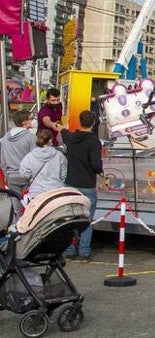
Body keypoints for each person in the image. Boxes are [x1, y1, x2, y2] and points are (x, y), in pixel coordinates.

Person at [63, 111, 104, 260]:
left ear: (80, 121)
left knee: (70, 219)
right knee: (87, 219)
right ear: (93, 123)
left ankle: (68, 250)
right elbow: (96, 164)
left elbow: (64, 132)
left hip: (71, 182)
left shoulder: (70, 138)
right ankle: (84, 251)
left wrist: (60, 127)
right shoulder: (94, 142)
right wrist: (100, 171)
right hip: (87, 183)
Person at [19, 129, 67, 199]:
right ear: (50, 140)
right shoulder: (59, 155)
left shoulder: (30, 156)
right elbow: (63, 174)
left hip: (36, 193)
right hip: (56, 191)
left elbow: (24, 174)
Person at [1, 110, 36, 190]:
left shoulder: (5, 138)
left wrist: (7, 175)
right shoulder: (31, 138)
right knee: (29, 201)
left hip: (11, 176)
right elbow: (34, 158)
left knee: (15, 200)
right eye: (31, 118)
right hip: (27, 176)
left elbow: (3, 161)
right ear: (24, 122)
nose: (33, 121)